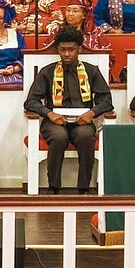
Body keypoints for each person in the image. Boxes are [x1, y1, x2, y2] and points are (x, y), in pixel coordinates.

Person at [23, 27, 113, 195]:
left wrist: (91, 113)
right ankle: (54, 187)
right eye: (62, 50)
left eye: (71, 50)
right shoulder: (48, 72)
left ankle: (84, 188)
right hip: (54, 121)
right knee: (59, 136)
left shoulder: (91, 71)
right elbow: (31, 101)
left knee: (86, 136)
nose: (66, 54)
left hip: (83, 120)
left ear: (79, 49)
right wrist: (50, 114)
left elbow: (106, 101)